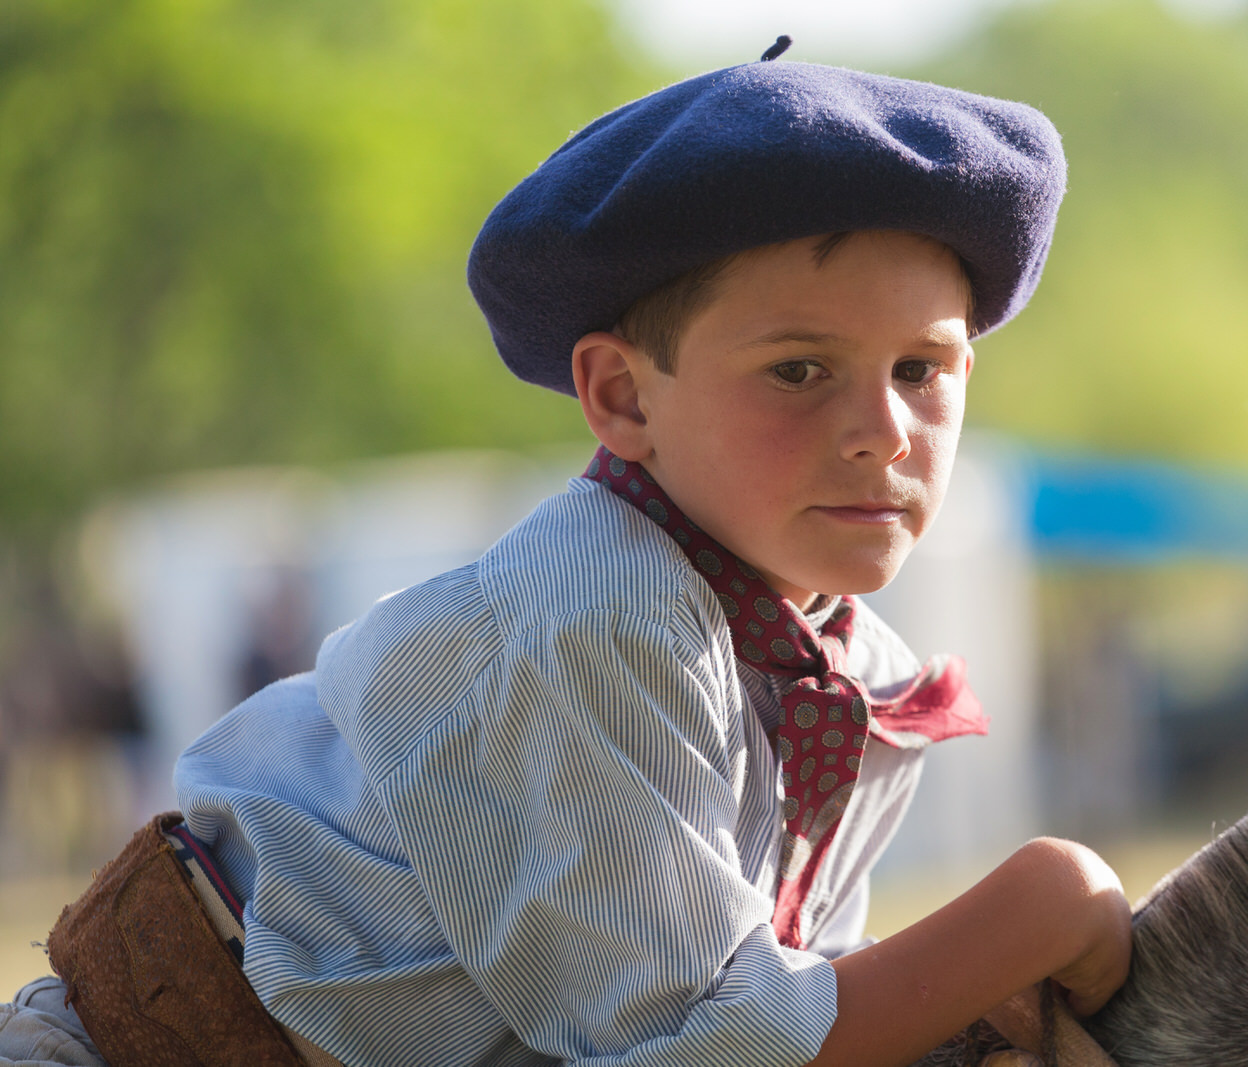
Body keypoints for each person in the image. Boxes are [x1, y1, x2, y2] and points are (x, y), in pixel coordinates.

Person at [7, 41, 1130, 1067]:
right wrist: (1042, 901)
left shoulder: (851, 667)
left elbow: (776, 992)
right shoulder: (599, 608)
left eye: (921, 370)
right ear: (620, 396)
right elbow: (709, 1047)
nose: (883, 428)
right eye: (798, 369)